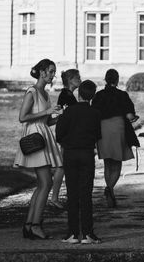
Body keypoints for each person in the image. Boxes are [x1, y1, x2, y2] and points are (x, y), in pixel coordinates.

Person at [13, 58, 63, 240]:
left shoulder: (45, 93)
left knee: (43, 183)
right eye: (50, 71)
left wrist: (58, 116)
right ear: (42, 72)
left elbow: (47, 121)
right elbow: (22, 117)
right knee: (46, 183)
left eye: (53, 72)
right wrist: (46, 112)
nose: (53, 75)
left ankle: (30, 225)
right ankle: (34, 225)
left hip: (43, 134)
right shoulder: (32, 91)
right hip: (35, 138)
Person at [56, 79, 102, 244]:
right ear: (92, 96)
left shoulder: (68, 112)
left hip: (70, 153)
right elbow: (97, 134)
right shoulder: (96, 113)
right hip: (87, 153)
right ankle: (88, 233)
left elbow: (59, 134)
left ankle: (73, 233)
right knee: (86, 193)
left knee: (72, 193)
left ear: (79, 93)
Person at [91, 69, 139, 209]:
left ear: (105, 79)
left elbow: (94, 113)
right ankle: (109, 188)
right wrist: (134, 118)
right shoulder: (122, 95)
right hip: (118, 128)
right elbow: (130, 116)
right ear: (117, 80)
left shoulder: (99, 95)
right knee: (117, 162)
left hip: (103, 128)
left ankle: (109, 188)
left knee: (108, 162)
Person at [49, 69, 82, 211]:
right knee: (62, 166)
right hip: (68, 135)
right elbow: (67, 116)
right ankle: (55, 197)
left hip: (67, 134)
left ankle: (57, 196)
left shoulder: (68, 95)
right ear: (71, 80)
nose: (80, 79)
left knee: (63, 166)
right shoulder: (66, 95)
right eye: (78, 77)